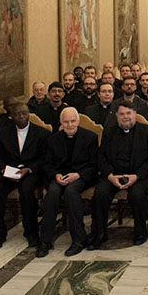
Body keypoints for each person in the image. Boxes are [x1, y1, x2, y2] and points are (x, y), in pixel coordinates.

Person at [89, 100, 148, 250]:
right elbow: (101, 157)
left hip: (139, 176)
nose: (125, 117)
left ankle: (140, 232)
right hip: (114, 175)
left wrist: (136, 176)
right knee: (100, 193)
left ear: (135, 114)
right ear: (116, 116)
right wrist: (109, 176)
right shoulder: (109, 132)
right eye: (122, 114)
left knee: (137, 194)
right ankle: (100, 233)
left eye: (128, 113)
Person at [0, 99, 50, 250]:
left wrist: (28, 169)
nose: (21, 117)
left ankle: (31, 232)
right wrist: (4, 170)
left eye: (24, 113)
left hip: (30, 172)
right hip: (9, 172)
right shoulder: (3, 133)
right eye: (17, 114)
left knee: (26, 191)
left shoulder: (42, 133)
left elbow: (45, 159)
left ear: (29, 114)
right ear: (11, 116)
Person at [37, 107, 98, 257]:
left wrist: (77, 175)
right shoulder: (53, 140)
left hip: (81, 176)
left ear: (78, 121)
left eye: (72, 121)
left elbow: (94, 164)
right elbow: (47, 163)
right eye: (66, 122)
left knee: (71, 192)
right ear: (61, 123)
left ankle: (78, 240)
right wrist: (56, 175)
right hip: (60, 176)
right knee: (52, 193)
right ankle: (46, 240)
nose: (70, 125)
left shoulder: (90, 137)